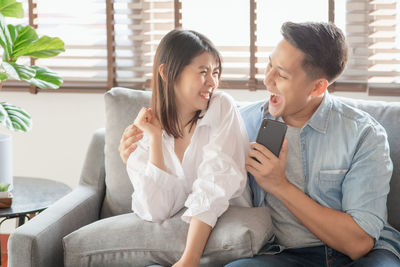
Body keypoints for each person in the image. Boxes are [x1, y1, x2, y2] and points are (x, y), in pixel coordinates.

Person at [225, 22, 400, 266]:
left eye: (282, 75)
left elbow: (358, 243)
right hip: (280, 253)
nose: (267, 80)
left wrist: (279, 185)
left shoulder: (364, 134)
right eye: (269, 65)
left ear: (318, 87)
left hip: (359, 255)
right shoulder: (244, 123)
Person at [119, 29, 251, 267]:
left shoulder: (221, 107)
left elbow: (215, 184)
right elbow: (156, 211)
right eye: (203, 72)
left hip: (226, 236)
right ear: (167, 72)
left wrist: (189, 259)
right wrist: (156, 141)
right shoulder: (144, 132)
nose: (212, 82)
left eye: (215, 72)